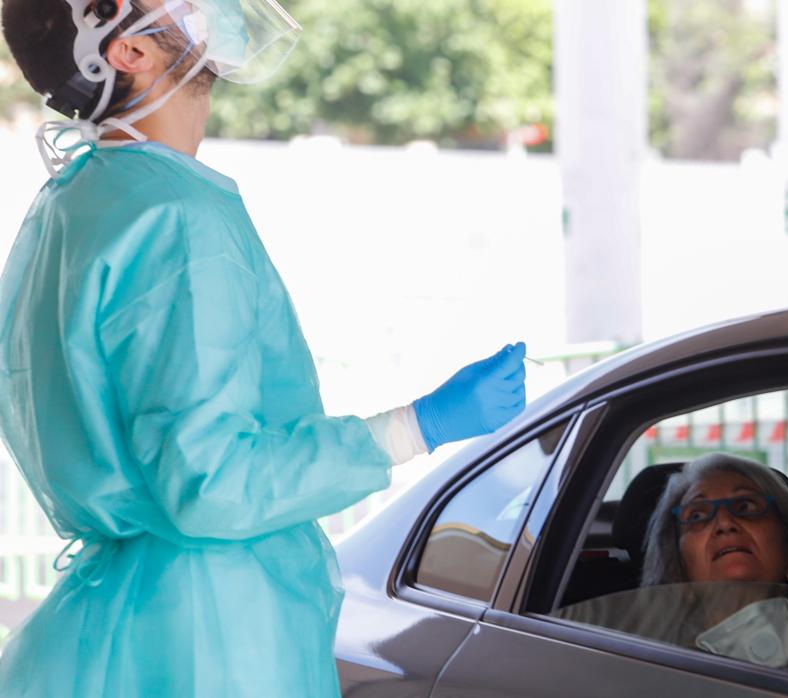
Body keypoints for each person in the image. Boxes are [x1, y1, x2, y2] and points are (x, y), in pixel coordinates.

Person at [0, 1, 527, 695]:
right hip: (208, 637)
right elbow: (210, 485)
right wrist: (415, 428)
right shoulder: (176, 216)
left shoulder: (73, 203)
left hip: (111, 629)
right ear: (126, 51)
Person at [558, 453, 788, 670]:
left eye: (746, 507)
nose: (724, 522)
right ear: (678, 573)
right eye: (697, 515)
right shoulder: (643, 670)